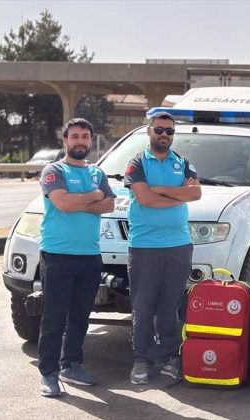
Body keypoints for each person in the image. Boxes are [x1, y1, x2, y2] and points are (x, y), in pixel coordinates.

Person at [37, 118, 116, 397]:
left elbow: (110, 204)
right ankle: (49, 373)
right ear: (65, 141)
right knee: (54, 317)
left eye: (85, 136)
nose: (80, 140)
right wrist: (92, 197)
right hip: (58, 255)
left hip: (90, 256)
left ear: (91, 141)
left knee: (81, 316)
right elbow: (63, 203)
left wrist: (85, 199)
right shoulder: (53, 170)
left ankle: (71, 365)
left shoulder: (97, 172)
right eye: (75, 136)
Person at [124, 111, 201, 385]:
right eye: (159, 130)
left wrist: (159, 190)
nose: (164, 135)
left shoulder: (182, 162)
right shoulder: (136, 164)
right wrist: (175, 194)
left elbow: (195, 193)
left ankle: (170, 357)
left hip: (179, 246)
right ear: (149, 131)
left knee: (171, 306)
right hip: (145, 247)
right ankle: (141, 360)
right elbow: (143, 199)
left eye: (169, 131)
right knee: (143, 306)